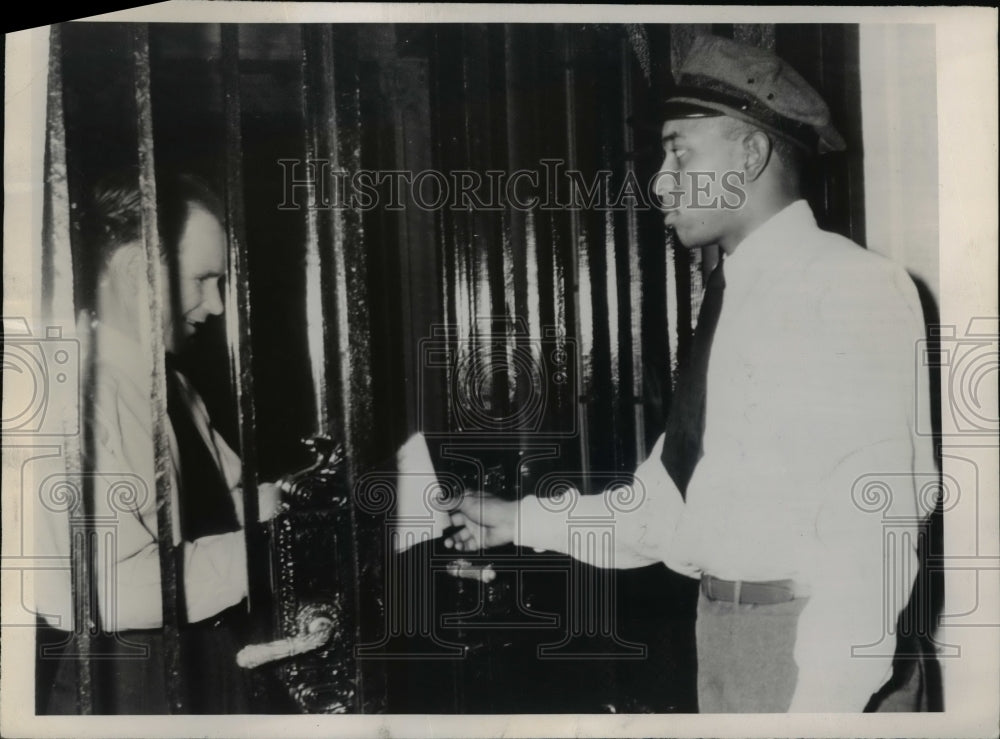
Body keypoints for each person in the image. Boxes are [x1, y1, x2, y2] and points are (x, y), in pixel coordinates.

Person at [445, 35, 937, 713]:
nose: (660, 179)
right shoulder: (734, 299)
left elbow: (872, 537)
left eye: (680, 151)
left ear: (750, 154)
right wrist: (515, 520)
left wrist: (821, 710)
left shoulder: (846, 286)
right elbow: (661, 513)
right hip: (729, 639)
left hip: (813, 661)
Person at [34, 172, 282, 714]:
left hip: (208, 663)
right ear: (134, 270)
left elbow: (232, 505)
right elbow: (111, 589)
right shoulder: (73, 396)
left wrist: (361, 499)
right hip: (126, 683)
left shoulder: (175, 387)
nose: (217, 305)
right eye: (204, 279)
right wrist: (274, 551)